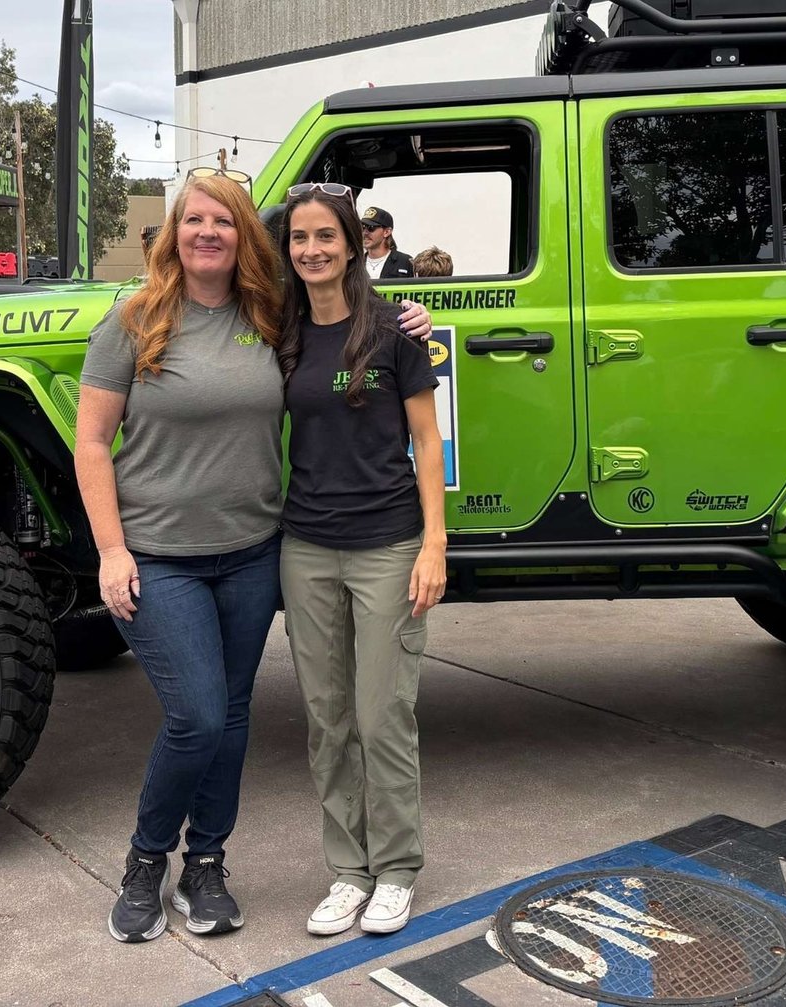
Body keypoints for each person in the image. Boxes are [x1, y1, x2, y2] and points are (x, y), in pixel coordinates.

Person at [73, 172, 432, 945]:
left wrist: (412, 313)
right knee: (199, 715)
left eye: (225, 222)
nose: (209, 233)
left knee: (239, 717)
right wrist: (110, 549)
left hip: (254, 551)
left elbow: (362, 338)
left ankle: (208, 863)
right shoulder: (131, 320)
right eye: (194, 220)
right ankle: (146, 862)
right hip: (164, 554)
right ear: (174, 234)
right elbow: (92, 441)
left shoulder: (269, 315)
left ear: (244, 237)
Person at [276, 184, 447, 938]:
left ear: (353, 243)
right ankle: (348, 870)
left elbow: (427, 439)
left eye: (325, 236)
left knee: (383, 716)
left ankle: (398, 868)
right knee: (327, 718)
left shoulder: (394, 330)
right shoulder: (280, 330)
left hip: (387, 544)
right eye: (299, 238)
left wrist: (435, 543)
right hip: (306, 546)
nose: (311, 249)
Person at [359, 206, 414, 280]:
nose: (365, 232)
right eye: (362, 227)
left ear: (387, 232)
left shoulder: (405, 262)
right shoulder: (354, 264)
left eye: (371, 228)